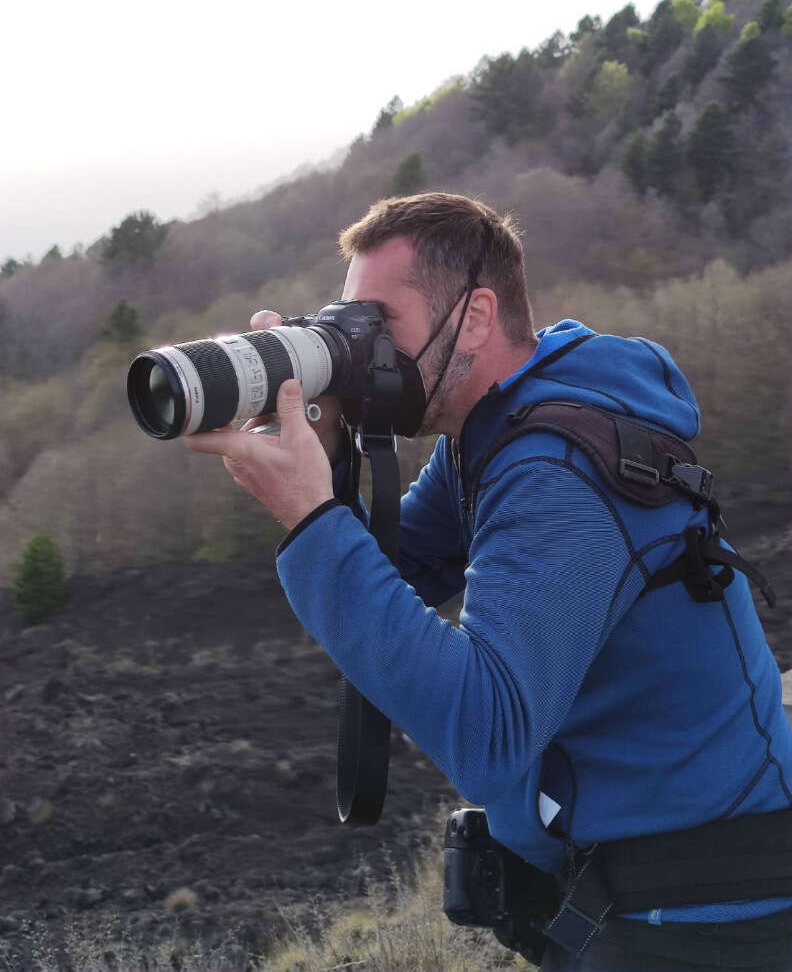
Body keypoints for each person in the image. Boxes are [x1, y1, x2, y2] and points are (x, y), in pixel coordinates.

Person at [183, 193, 792, 970]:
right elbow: (392, 571)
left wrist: (311, 517)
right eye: (348, 322)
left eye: (380, 322)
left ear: (474, 317)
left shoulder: (555, 471)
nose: (362, 349)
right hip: (638, 889)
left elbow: (487, 735)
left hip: (703, 916)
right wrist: (325, 461)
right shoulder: (499, 427)